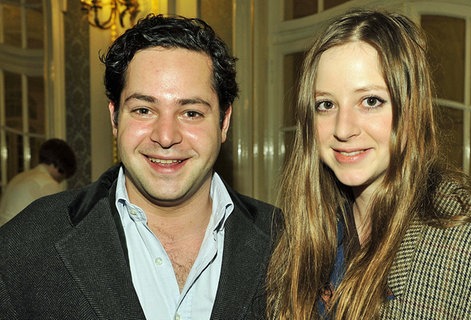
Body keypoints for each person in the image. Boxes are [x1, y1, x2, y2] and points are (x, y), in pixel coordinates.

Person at [265, 9, 471, 319]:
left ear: (412, 110)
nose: (343, 128)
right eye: (326, 104)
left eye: (371, 101)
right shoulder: (312, 231)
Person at [0, 14, 279, 319]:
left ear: (224, 122)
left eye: (191, 113)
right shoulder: (26, 245)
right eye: (144, 109)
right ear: (115, 118)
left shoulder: (290, 243)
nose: (166, 136)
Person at [0, 138, 76, 226]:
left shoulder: (19, 177)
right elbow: (61, 222)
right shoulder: (48, 183)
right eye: (64, 175)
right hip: (17, 236)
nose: (61, 179)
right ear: (59, 166)